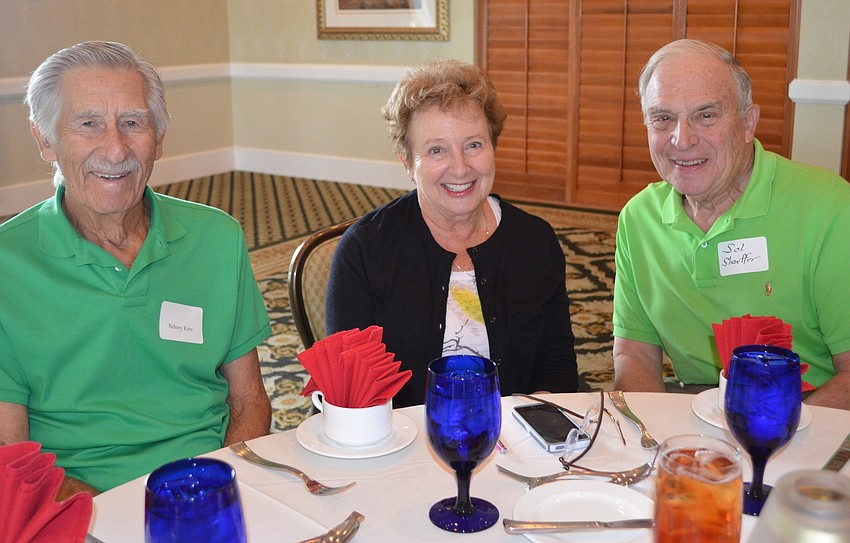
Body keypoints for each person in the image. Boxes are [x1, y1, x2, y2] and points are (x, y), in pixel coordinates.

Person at [0, 41, 272, 499]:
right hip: (79, 502)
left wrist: (215, 495)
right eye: (88, 124)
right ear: (44, 140)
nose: (115, 149)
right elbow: (12, 454)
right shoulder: (7, 265)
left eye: (133, 123)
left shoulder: (216, 239)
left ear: (158, 139)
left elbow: (249, 401)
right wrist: (119, 517)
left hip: (209, 485)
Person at [326, 59, 579, 407]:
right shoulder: (365, 251)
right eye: (436, 150)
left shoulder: (535, 242)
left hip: (516, 434)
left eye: (473, 145)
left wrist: (526, 424)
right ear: (407, 163)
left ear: (493, 147)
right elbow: (348, 389)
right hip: (400, 436)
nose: (460, 168)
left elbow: (557, 366)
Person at [613, 39, 850, 409]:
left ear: (748, 123)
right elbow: (634, 353)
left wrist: (775, 431)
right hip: (694, 407)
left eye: (706, 115)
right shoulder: (639, 218)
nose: (682, 139)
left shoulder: (830, 209)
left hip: (812, 410)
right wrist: (651, 432)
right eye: (662, 118)